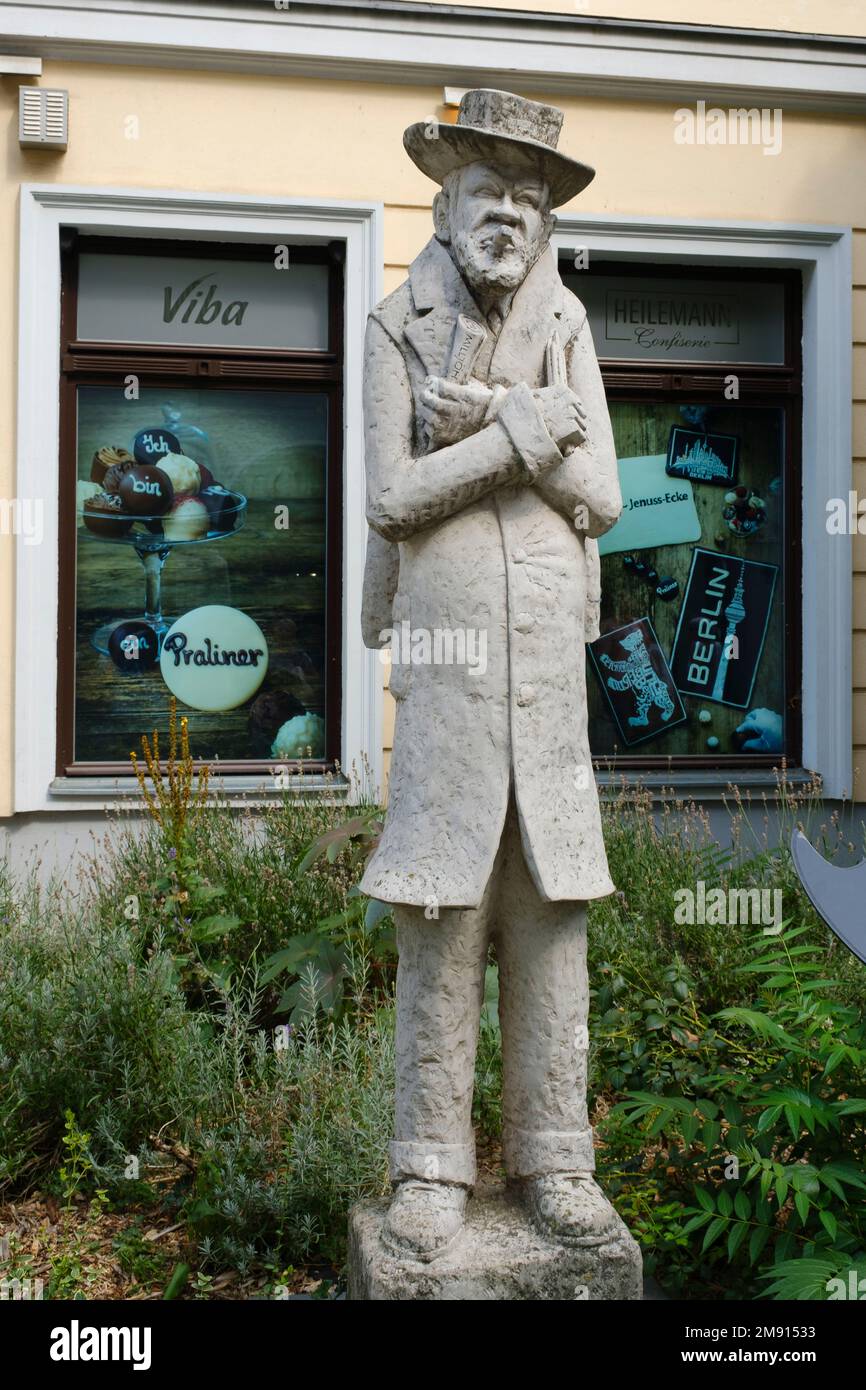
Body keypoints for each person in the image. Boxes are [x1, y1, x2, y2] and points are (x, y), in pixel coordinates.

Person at [360, 89, 623, 1262]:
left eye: (528, 196)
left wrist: (503, 407)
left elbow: (603, 498)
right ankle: (427, 1169)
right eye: (488, 192)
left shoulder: (566, 328)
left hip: (547, 696)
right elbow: (391, 496)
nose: (507, 214)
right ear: (446, 202)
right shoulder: (391, 328)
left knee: (550, 922)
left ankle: (554, 1157)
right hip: (448, 682)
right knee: (440, 919)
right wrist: (519, 438)